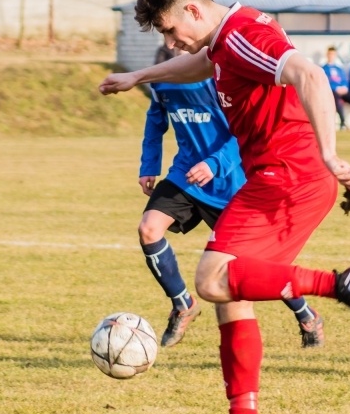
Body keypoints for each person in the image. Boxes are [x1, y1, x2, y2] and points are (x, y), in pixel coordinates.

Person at [99, 0, 350, 414]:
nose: (171, 42)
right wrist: (140, 76)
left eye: (170, 29)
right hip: (280, 176)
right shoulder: (226, 37)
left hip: (287, 175)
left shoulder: (243, 35)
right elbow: (201, 63)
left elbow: (308, 74)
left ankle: (338, 284)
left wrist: (331, 153)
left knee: (212, 280)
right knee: (232, 292)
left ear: (192, 9)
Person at [139, 47, 325, 350]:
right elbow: (155, 121)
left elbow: (241, 132)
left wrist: (214, 164)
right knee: (149, 229)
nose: (175, 45)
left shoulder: (216, 80)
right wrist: (149, 165)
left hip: (230, 185)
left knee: (258, 266)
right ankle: (183, 304)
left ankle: (306, 314)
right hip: (185, 176)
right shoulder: (162, 80)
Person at [321, 46, 350, 130]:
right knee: (336, 99)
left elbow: (344, 80)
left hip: (342, 91)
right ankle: (343, 123)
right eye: (330, 54)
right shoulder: (323, 69)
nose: (331, 56)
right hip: (332, 92)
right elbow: (324, 83)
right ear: (327, 55)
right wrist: (335, 88)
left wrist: (344, 87)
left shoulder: (339, 69)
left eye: (333, 54)